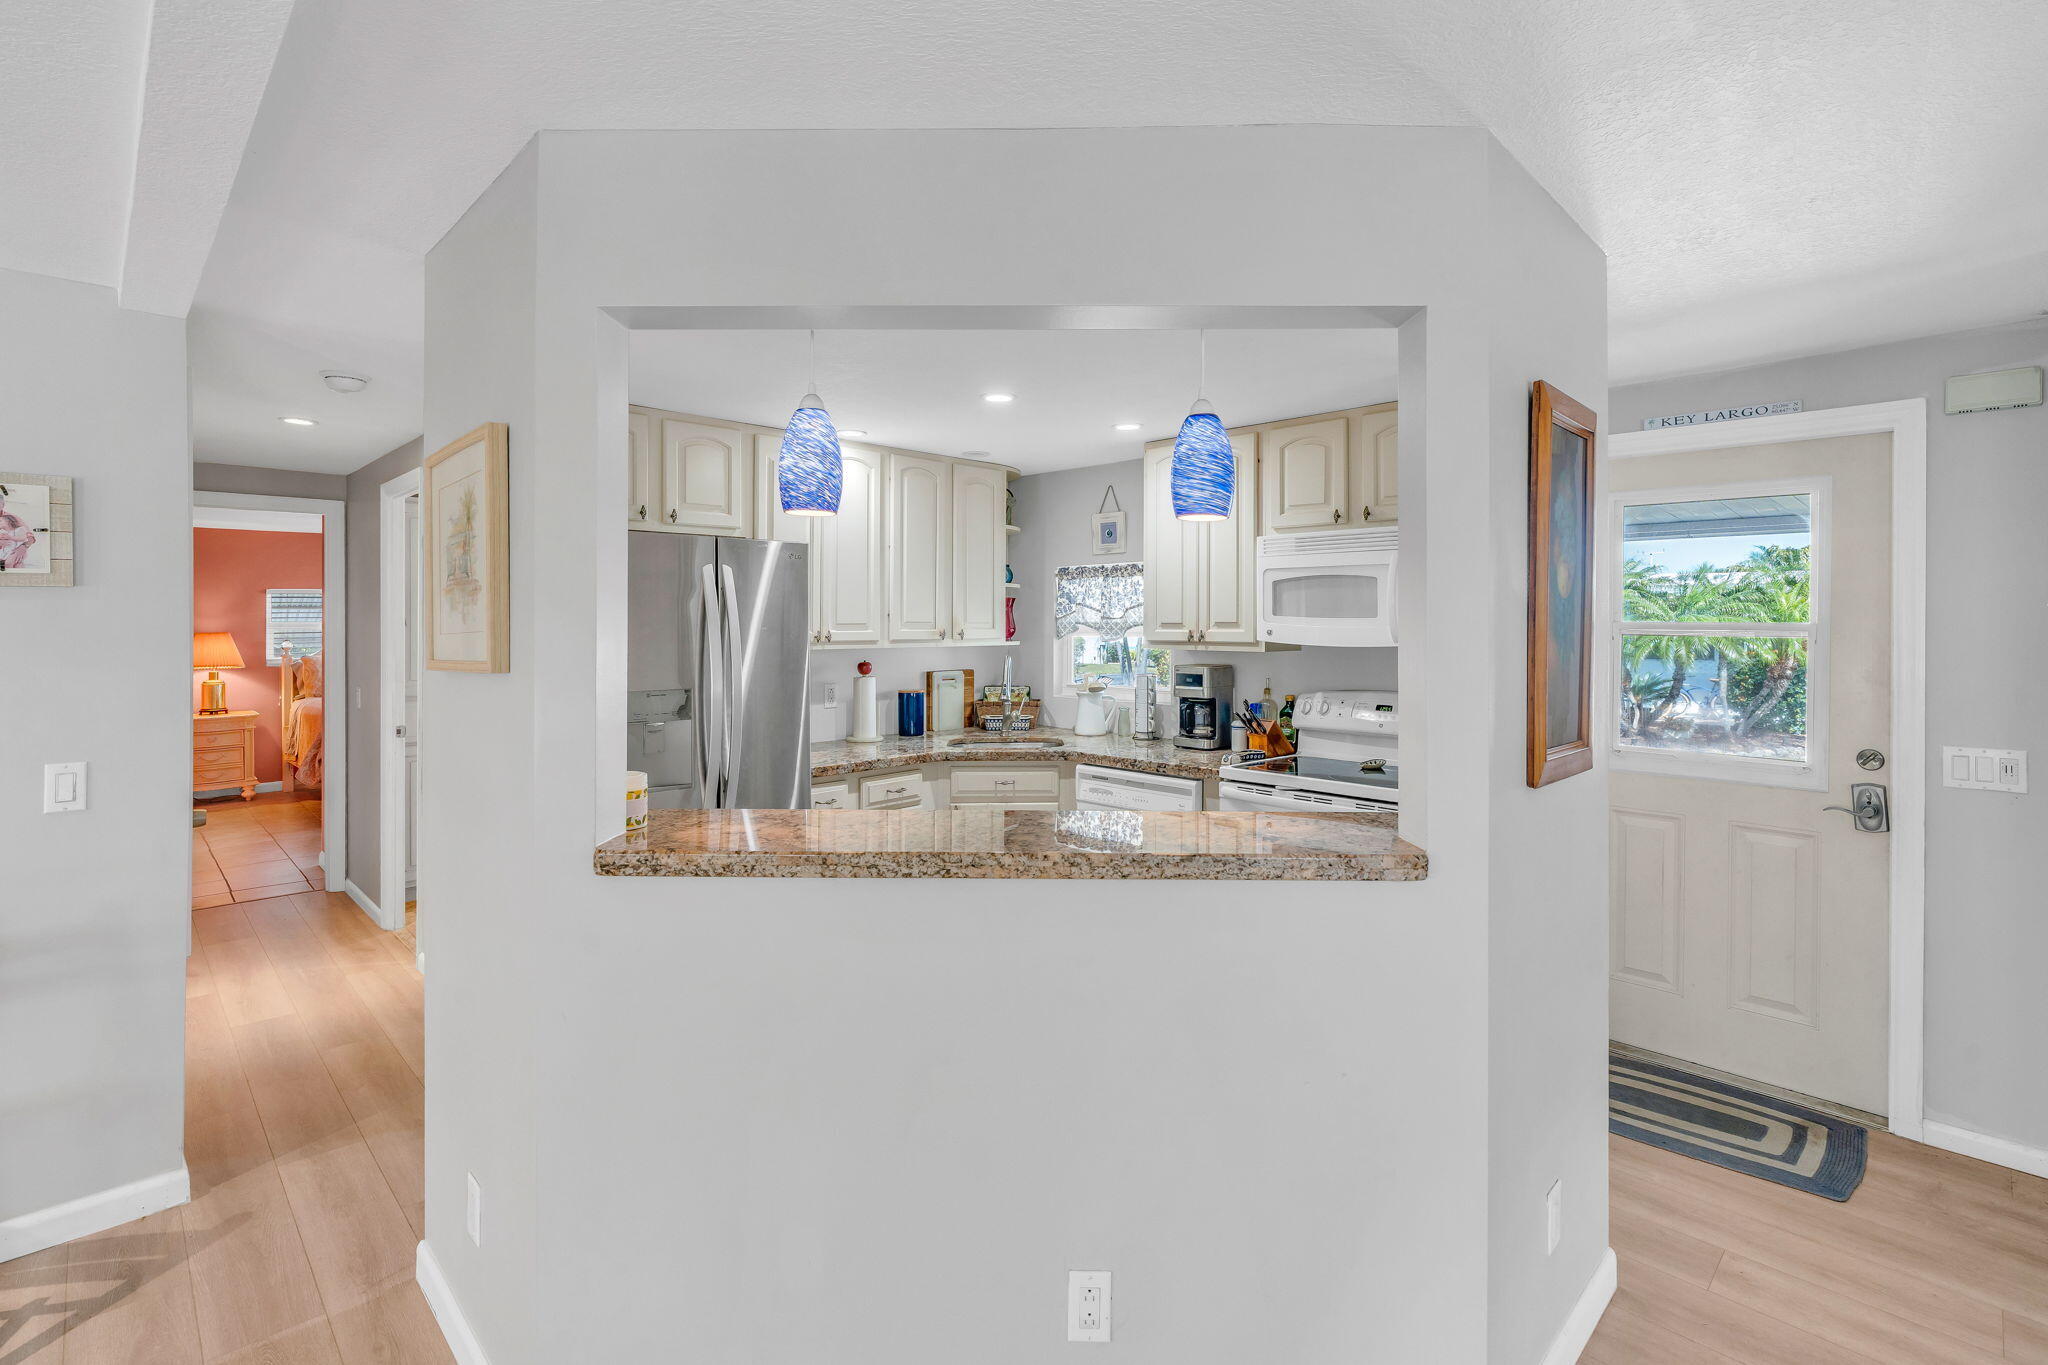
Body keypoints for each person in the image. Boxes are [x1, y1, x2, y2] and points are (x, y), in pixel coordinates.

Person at [0, 487, 40, 570]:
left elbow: (30, 537)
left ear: (3, 505)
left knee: (16, 564)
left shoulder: (12, 518)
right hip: (3, 553)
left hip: (11, 552)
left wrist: (23, 547)